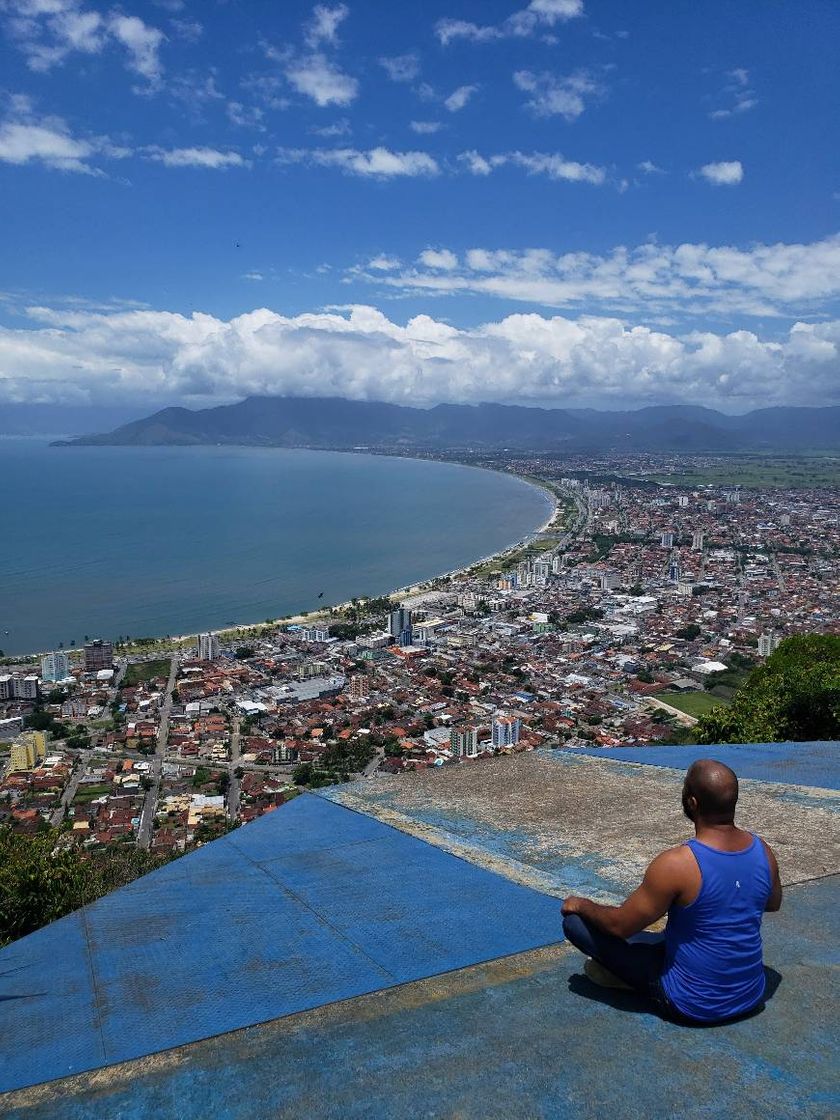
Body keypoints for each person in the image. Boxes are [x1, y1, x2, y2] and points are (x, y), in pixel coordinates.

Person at [561, 758, 783, 1024]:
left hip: (691, 1004)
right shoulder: (762, 852)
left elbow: (619, 926)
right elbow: (772, 903)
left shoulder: (678, 863)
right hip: (749, 996)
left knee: (576, 925)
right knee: (671, 935)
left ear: (693, 802)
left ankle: (631, 980)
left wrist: (581, 904)